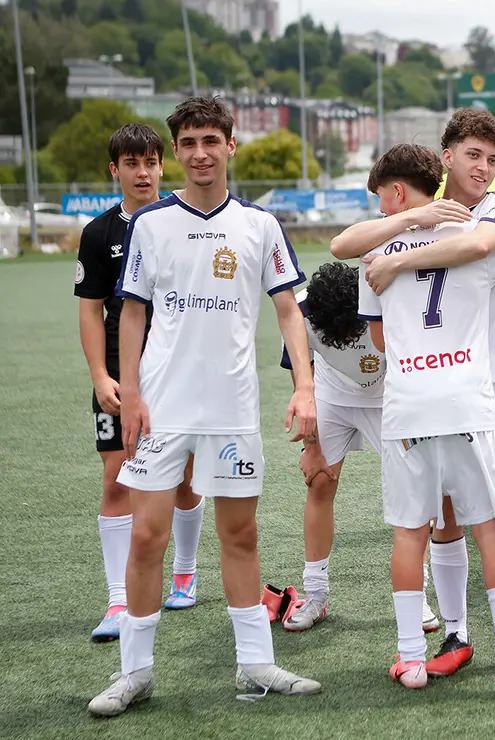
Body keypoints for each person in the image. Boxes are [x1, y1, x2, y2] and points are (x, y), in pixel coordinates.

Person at [88, 96, 322, 717]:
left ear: (230, 146)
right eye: (188, 142)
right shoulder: (150, 225)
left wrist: (304, 386)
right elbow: (131, 313)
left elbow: (288, 310)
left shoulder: (260, 225)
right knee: (146, 537)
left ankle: (256, 665)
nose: (199, 154)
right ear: (178, 150)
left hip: (233, 410)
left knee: (240, 534)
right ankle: (134, 673)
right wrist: (131, 394)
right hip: (163, 410)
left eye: (210, 141)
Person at [345, 108, 495, 679]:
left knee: (414, 532)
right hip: (467, 396)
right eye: (473, 155)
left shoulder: (390, 242)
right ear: (445, 156)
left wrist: (398, 250)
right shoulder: (474, 239)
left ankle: (410, 658)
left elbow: (345, 246)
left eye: (491, 159)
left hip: (407, 401)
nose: (483, 168)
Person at [75, 124, 206, 642]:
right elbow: (90, 313)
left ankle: (185, 572)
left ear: (163, 165)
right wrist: (101, 376)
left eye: (151, 162)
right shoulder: (98, 233)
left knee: (185, 478)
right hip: (119, 372)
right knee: (116, 480)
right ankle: (117, 601)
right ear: (116, 170)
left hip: (178, 367)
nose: (143, 172)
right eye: (131, 164)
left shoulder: (181, 221)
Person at [277, 264, 438, 633]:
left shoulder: (389, 299)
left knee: (415, 494)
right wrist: (312, 445)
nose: (345, 343)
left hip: (391, 395)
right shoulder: (300, 314)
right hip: (332, 395)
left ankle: (419, 597)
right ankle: (315, 594)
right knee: (319, 483)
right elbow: (303, 378)